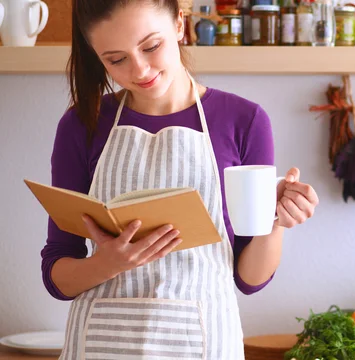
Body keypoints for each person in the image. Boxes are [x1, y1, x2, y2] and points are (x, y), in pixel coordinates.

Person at [40, 0, 319, 358]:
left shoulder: (243, 121)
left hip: (203, 343)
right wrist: (108, 264)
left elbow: (250, 279)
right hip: (101, 345)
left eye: (151, 46)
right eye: (116, 59)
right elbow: (57, 272)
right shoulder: (82, 124)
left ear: (179, 25)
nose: (139, 69)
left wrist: (277, 220)